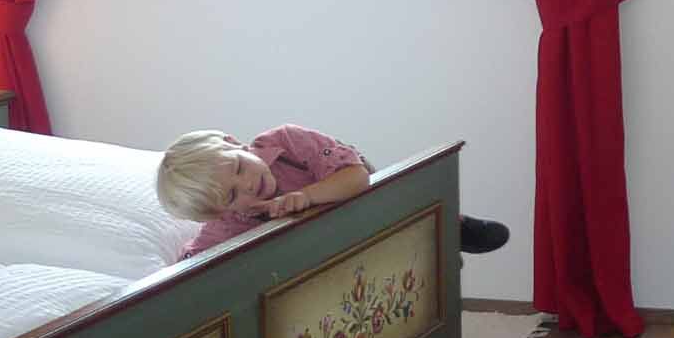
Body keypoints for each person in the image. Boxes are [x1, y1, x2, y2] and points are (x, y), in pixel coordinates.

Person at [156, 126, 510, 261]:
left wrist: (308, 196)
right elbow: (198, 261)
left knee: (392, 201)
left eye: (238, 168)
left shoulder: (287, 142)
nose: (247, 184)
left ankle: (451, 225)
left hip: (356, 194)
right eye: (232, 196)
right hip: (328, 246)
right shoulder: (230, 223)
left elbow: (356, 178)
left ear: (235, 144)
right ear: (222, 213)